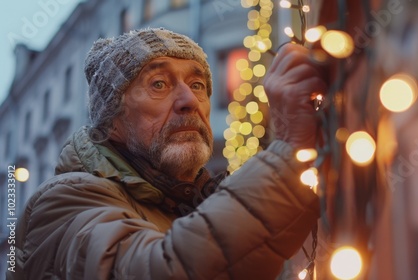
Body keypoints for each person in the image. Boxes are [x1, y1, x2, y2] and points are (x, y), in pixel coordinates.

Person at [8, 27, 326, 280]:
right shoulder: (64, 201)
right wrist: (286, 152)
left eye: (198, 84)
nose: (189, 99)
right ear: (112, 123)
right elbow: (161, 269)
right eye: (159, 84)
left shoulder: (196, 205)